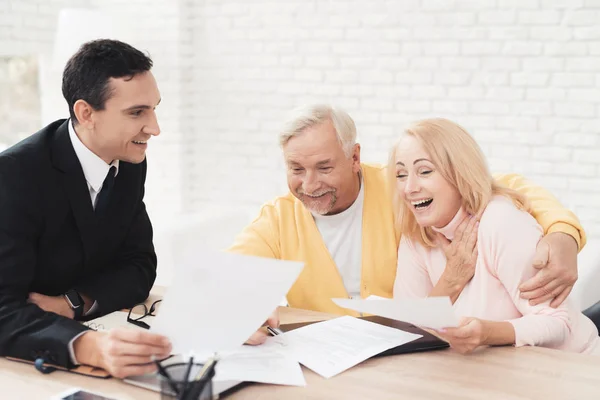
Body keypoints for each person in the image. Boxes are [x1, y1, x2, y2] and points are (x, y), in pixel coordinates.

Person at [0, 39, 269, 379]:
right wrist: (90, 346)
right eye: (137, 112)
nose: (155, 128)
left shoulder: (129, 160)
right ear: (86, 113)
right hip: (25, 367)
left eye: (154, 108)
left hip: (94, 335)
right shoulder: (13, 176)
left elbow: (139, 266)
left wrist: (74, 303)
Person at [229, 104, 585, 315]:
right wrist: (242, 312)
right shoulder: (277, 218)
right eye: (295, 169)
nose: (308, 185)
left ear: (354, 158)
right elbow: (227, 274)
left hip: (415, 353)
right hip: (332, 370)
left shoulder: (400, 188)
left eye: (324, 168)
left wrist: (563, 233)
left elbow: (499, 183)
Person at [391, 118, 599, 355]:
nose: (409, 188)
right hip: (495, 376)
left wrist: (489, 333)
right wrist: (452, 280)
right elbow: (405, 331)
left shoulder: (500, 219)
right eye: (400, 175)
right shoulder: (414, 236)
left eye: (425, 171)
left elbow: (559, 322)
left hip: (574, 368)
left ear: (460, 172)